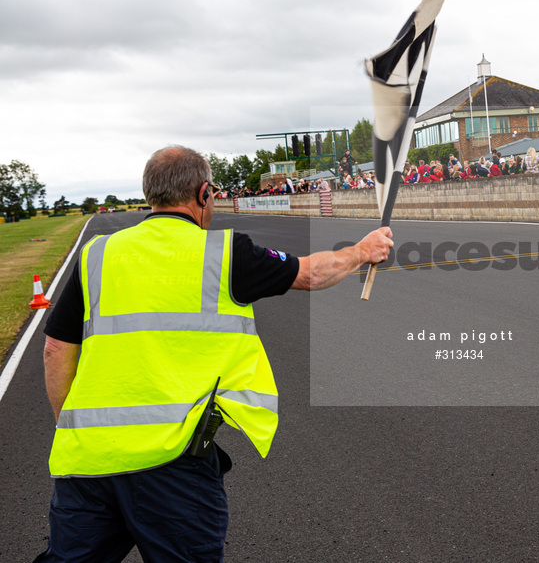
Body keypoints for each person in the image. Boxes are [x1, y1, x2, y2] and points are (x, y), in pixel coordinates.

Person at [36, 145, 393, 562]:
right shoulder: (223, 253)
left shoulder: (97, 253)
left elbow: (55, 349)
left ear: (152, 195)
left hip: (86, 463)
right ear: (204, 193)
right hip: (172, 464)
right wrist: (363, 251)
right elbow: (311, 273)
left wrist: (73, 426)